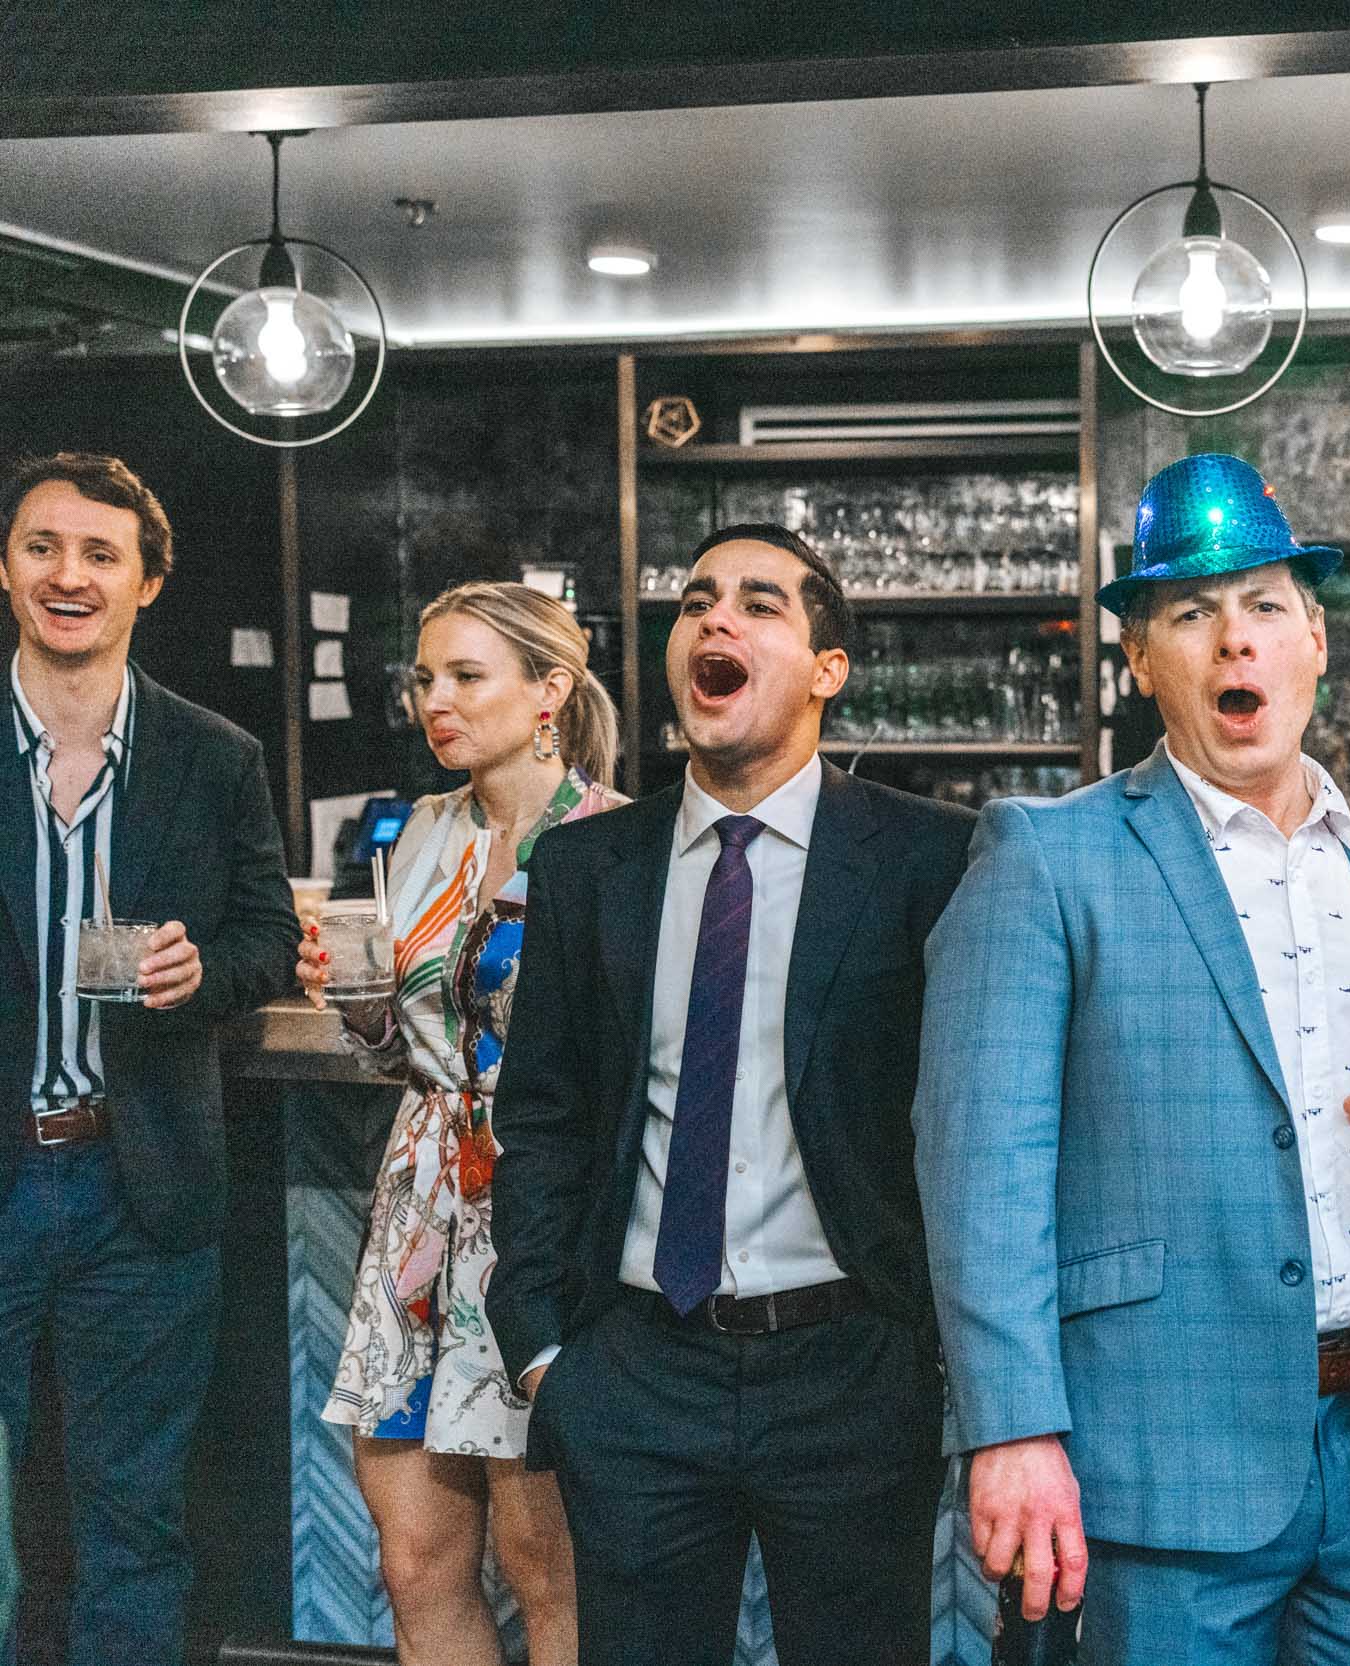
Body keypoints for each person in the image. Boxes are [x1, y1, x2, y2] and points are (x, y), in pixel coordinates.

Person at [915, 453, 1350, 1666]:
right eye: (1191, 613)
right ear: (1141, 658)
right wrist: (1011, 1429)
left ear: (1317, 642)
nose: (1236, 642)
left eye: (1266, 607)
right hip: (1159, 1473)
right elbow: (981, 1169)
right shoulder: (1046, 859)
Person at [485, 523, 973, 1666]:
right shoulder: (587, 865)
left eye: (760, 604)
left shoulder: (930, 858)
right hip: (638, 1371)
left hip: (851, 1368)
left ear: (826, 669)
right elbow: (544, 1116)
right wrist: (546, 1350)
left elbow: (973, 1117)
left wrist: (928, 1355)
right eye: (698, 599)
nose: (715, 618)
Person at [0, 452, 297, 1666]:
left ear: (148, 582)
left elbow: (270, 938)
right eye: (41, 547)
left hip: (144, 1185)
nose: (68, 575)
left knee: (133, 1521)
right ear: (6, 566)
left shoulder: (213, 754)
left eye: (100, 554)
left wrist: (203, 973)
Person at [297, 581, 625, 1666]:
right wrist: (354, 1004)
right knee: (415, 1556)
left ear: (550, 690)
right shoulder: (417, 834)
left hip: (540, 1216)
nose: (435, 699)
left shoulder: (616, 842)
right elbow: (402, 1049)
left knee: (548, 1565)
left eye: (465, 676)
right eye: (425, 677)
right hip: (417, 1219)